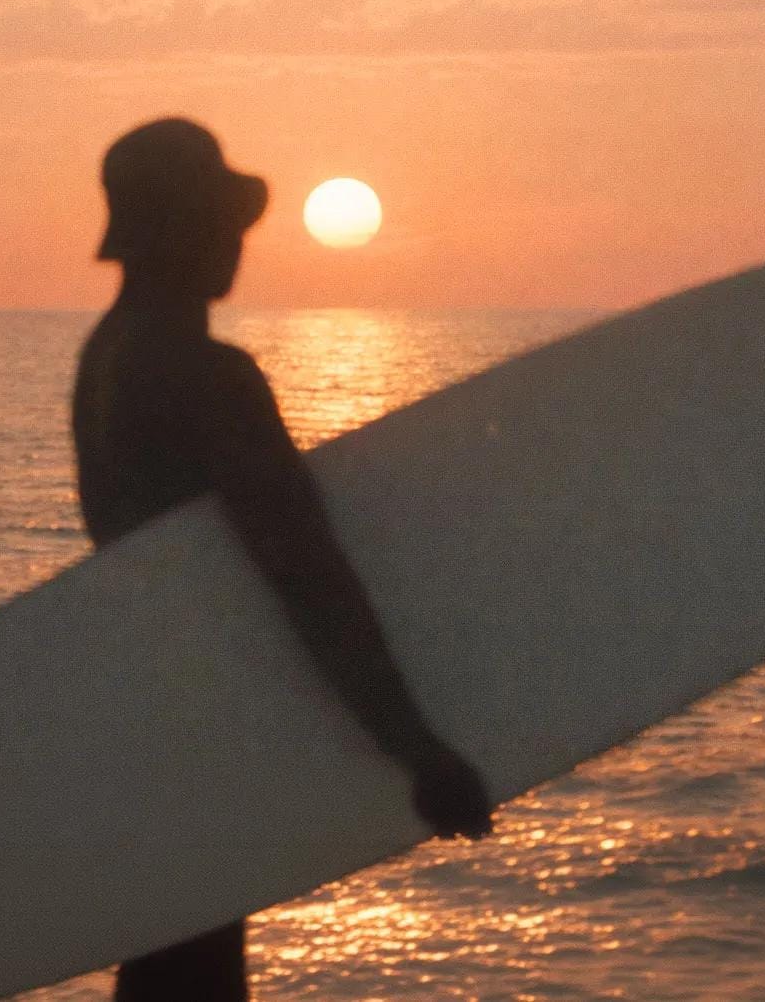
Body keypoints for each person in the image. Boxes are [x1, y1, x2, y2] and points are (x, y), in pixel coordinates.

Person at [71, 118, 495, 1001]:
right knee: (194, 979)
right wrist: (417, 751)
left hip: (146, 727)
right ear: (183, 229)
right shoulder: (208, 375)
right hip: (211, 736)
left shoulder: (104, 358)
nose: (237, 241)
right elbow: (304, 571)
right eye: (219, 219)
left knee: (162, 969)